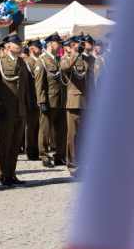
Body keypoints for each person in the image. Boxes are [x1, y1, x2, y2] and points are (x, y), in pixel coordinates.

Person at [0, 31, 31, 186]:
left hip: (19, 110)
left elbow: (26, 88)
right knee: (3, 144)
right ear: (8, 46)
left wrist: (27, 106)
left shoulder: (22, 63)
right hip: (5, 110)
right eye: (17, 44)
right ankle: (3, 173)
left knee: (15, 144)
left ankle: (12, 172)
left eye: (20, 44)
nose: (20, 46)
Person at [61, 34, 92, 174]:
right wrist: (76, 53)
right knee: (73, 136)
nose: (81, 46)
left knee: (84, 135)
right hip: (74, 101)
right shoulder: (66, 58)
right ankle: (73, 165)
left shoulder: (86, 59)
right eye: (78, 44)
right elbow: (66, 67)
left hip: (87, 101)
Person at [36, 32, 68, 167]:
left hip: (61, 101)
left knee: (62, 130)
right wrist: (41, 101)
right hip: (49, 101)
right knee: (44, 130)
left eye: (61, 43)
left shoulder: (60, 60)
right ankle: (44, 156)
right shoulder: (42, 61)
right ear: (50, 44)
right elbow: (39, 83)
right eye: (58, 43)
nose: (60, 45)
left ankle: (59, 156)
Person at [23, 38, 42, 161]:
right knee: (30, 126)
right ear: (32, 49)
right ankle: (30, 149)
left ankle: (38, 148)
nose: (41, 49)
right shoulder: (27, 63)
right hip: (31, 98)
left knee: (39, 126)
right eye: (39, 47)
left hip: (41, 98)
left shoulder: (41, 61)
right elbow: (26, 83)